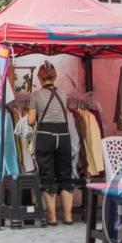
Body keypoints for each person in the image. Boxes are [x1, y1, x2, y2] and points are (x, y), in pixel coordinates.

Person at [27, 61, 74, 225]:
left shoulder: (36, 95)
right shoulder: (63, 93)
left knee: (47, 176)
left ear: (40, 77)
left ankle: (52, 218)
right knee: (65, 176)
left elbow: (31, 120)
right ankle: (68, 217)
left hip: (45, 136)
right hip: (63, 135)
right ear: (55, 76)